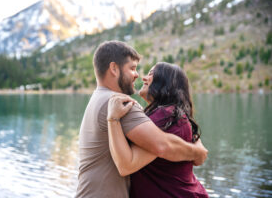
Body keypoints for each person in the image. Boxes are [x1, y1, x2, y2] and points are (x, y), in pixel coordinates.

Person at [76, 41, 208, 198]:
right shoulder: (119, 103)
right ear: (114, 69)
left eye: (150, 74)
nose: (140, 76)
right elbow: (162, 144)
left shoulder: (99, 98)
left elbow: (162, 143)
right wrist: (198, 152)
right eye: (132, 68)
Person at [107, 62, 208, 197]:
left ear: (166, 83)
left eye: (151, 74)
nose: (144, 78)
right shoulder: (176, 116)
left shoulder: (167, 117)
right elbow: (199, 157)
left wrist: (113, 119)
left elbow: (126, 165)